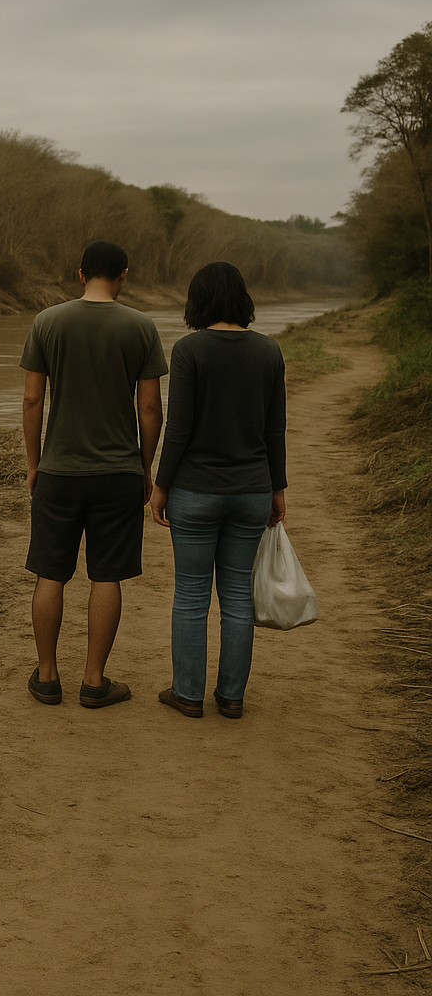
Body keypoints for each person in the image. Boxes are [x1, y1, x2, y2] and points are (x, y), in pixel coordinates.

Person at [21, 240, 167, 709]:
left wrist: (33, 463)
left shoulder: (48, 321)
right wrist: (144, 467)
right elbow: (149, 406)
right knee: (107, 575)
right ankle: (94, 682)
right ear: (124, 274)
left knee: (50, 572)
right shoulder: (141, 326)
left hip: (59, 471)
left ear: (80, 274)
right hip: (117, 471)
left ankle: (46, 678)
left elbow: (31, 400)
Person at [151, 261, 286, 720]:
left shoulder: (190, 350)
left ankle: (187, 694)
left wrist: (160, 485)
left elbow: (179, 428)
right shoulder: (269, 351)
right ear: (242, 299)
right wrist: (278, 490)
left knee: (190, 595)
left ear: (198, 300)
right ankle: (231, 697)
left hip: (195, 490)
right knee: (236, 596)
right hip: (251, 491)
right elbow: (275, 430)